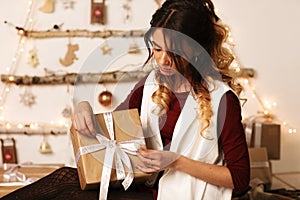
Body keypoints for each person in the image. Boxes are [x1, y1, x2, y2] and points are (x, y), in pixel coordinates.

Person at [1, 0, 250, 199]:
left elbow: (239, 179)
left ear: (195, 49)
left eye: (172, 52)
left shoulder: (223, 101)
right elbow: (114, 128)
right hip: (138, 184)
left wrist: (176, 162)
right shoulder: (151, 84)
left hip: (180, 193)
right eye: (157, 48)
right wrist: (84, 106)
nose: (161, 60)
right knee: (67, 178)